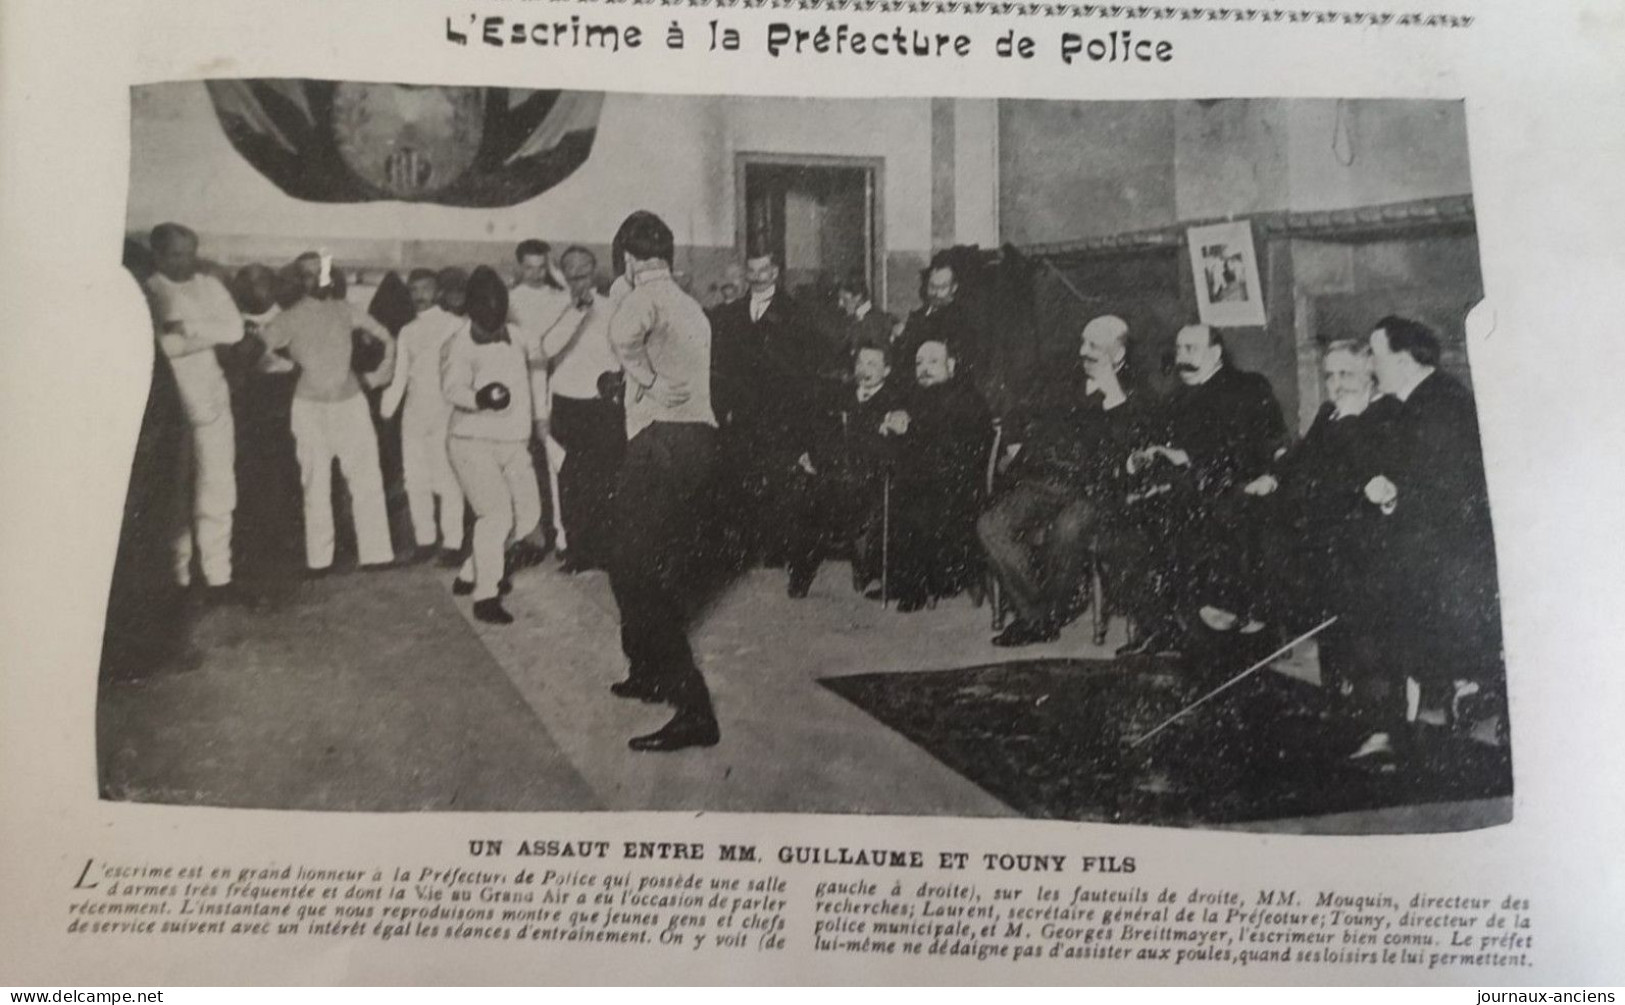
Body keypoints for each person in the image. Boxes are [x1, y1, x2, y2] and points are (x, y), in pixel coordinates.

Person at [1350, 316, 1502, 763]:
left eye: (1375, 356)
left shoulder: (1443, 405)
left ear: (1401, 358)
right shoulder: (1415, 402)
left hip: (1450, 557)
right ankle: (1407, 725)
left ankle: (1427, 725)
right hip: (1425, 549)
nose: (1372, 367)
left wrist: (1395, 497)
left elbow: (1452, 491)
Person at [605, 210, 721, 752]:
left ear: (630, 259)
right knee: (635, 563)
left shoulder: (639, 295)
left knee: (639, 572)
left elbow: (621, 335)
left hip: (661, 443)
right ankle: (648, 671)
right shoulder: (691, 306)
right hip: (693, 442)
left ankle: (692, 708)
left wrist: (645, 380)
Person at [1118, 323, 1287, 655]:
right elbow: (1155, 444)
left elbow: (1266, 447)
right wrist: (1145, 456)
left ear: (1215, 353)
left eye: (1191, 349)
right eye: (1179, 350)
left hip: (1234, 489)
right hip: (1184, 490)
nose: (1182, 358)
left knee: (1193, 525)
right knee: (1128, 529)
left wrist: (1186, 458)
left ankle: (1208, 633)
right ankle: (1160, 628)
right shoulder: (1175, 397)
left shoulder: (1248, 388)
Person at [978, 315, 1145, 646]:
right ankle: (1037, 617)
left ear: (1118, 350)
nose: (1083, 351)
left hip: (1095, 489)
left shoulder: (1137, 390)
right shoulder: (1063, 378)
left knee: (1067, 530)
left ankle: (1047, 614)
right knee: (990, 526)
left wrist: (1114, 395)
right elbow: (1018, 410)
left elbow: (1132, 447)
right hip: (1045, 479)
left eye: (1094, 346)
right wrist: (1014, 440)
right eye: (1082, 342)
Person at [256, 253, 398, 576]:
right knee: (315, 484)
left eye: (323, 273)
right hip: (310, 409)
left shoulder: (345, 310)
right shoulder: (289, 318)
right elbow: (257, 349)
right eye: (308, 274)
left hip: (351, 405)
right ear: (298, 280)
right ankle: (320, 561)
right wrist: (283, 367)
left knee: (367, 479)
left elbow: (387, 337)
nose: (318, 279)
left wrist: (376, 377)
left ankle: (376, 554)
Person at [142, 223, 248, 599]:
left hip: (214, 403)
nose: (185, 262)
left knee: (219, 489)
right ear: (157, 254)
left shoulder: (210, 286)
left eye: (190, 252)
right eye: (175, 254)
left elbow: (235, 330)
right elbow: (161, 347)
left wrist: (186, 327)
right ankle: (179, 581)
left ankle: (219, 577)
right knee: (176, 495)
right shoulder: (149, 291)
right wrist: (202, 337)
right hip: (170, 409)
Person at [709, 250, 830, 576]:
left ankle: (779, 547)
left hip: (781, 413)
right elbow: (722, 367)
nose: (757, 275)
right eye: (752, 270)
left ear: (775, 272)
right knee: (743, 477)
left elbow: (805, 370)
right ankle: (748, 547)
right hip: (743, 413)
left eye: (764, 269)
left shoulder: (795, 313)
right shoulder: (731, 314)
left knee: (779, 479)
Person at [440, 267, 542, 625]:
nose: (492, 326)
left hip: (513, 441)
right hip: (471, 442)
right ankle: (486, 595)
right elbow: (452, 389)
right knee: (496, 516)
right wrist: (480, 397)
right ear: (470, 311)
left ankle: (471, 571)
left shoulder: (518, 335)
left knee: (528, 515)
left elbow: (546, 352)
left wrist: (577, 310)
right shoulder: (459, 343)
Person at [881, 338, 993, 612]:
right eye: (919, 363)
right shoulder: (915, 395)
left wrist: (911, 430)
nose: (924, 369)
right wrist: (890, 425)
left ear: (951, 366)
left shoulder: (966, 398)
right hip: (923, 479)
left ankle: (922, 586)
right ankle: (908, 581)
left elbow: (957, 452)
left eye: (933, 362)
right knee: (899, 494)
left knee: (916, 503)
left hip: (959, 485)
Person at [532, 246, 626, 573]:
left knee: (606, 478)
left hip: (602, 405)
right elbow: (544, 350)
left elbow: (622, 351)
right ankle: (576, 551)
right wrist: (576, 311)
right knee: (571, 481)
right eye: (572, 274)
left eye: (584, 273)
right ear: (563, 273)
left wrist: (619, 380)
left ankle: (606, 550)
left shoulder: (612, 307)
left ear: (594, 270)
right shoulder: (553, 307)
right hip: (566, 403)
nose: (579, 280)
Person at [380, 269, 466, 565]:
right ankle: (425, 541)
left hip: (447, 410)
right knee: (415, 479)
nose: (419, 295)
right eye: (414, 289)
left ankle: (453, 544)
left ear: (438, 291)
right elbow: (400, 376)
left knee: (448, 478)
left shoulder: (457, 325)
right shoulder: (407, 331)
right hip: (414, 413)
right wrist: (386, 410)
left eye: (426, 288)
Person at [507, 239, 573, 561]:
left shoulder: (560, 297)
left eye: (541, 267)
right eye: (529, 267)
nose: (535, 274)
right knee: (521, 463)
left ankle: (562, 535)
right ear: (520, 267)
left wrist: (558, 273)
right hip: (520, 388)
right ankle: (528, 534)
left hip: (552, 382)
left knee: (553, 458)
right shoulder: (509, 301)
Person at [835, 274, 893, 363]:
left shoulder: (880, 320)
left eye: (844, 299)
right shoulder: (847, 320)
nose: (840, 304)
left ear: (858, 296)